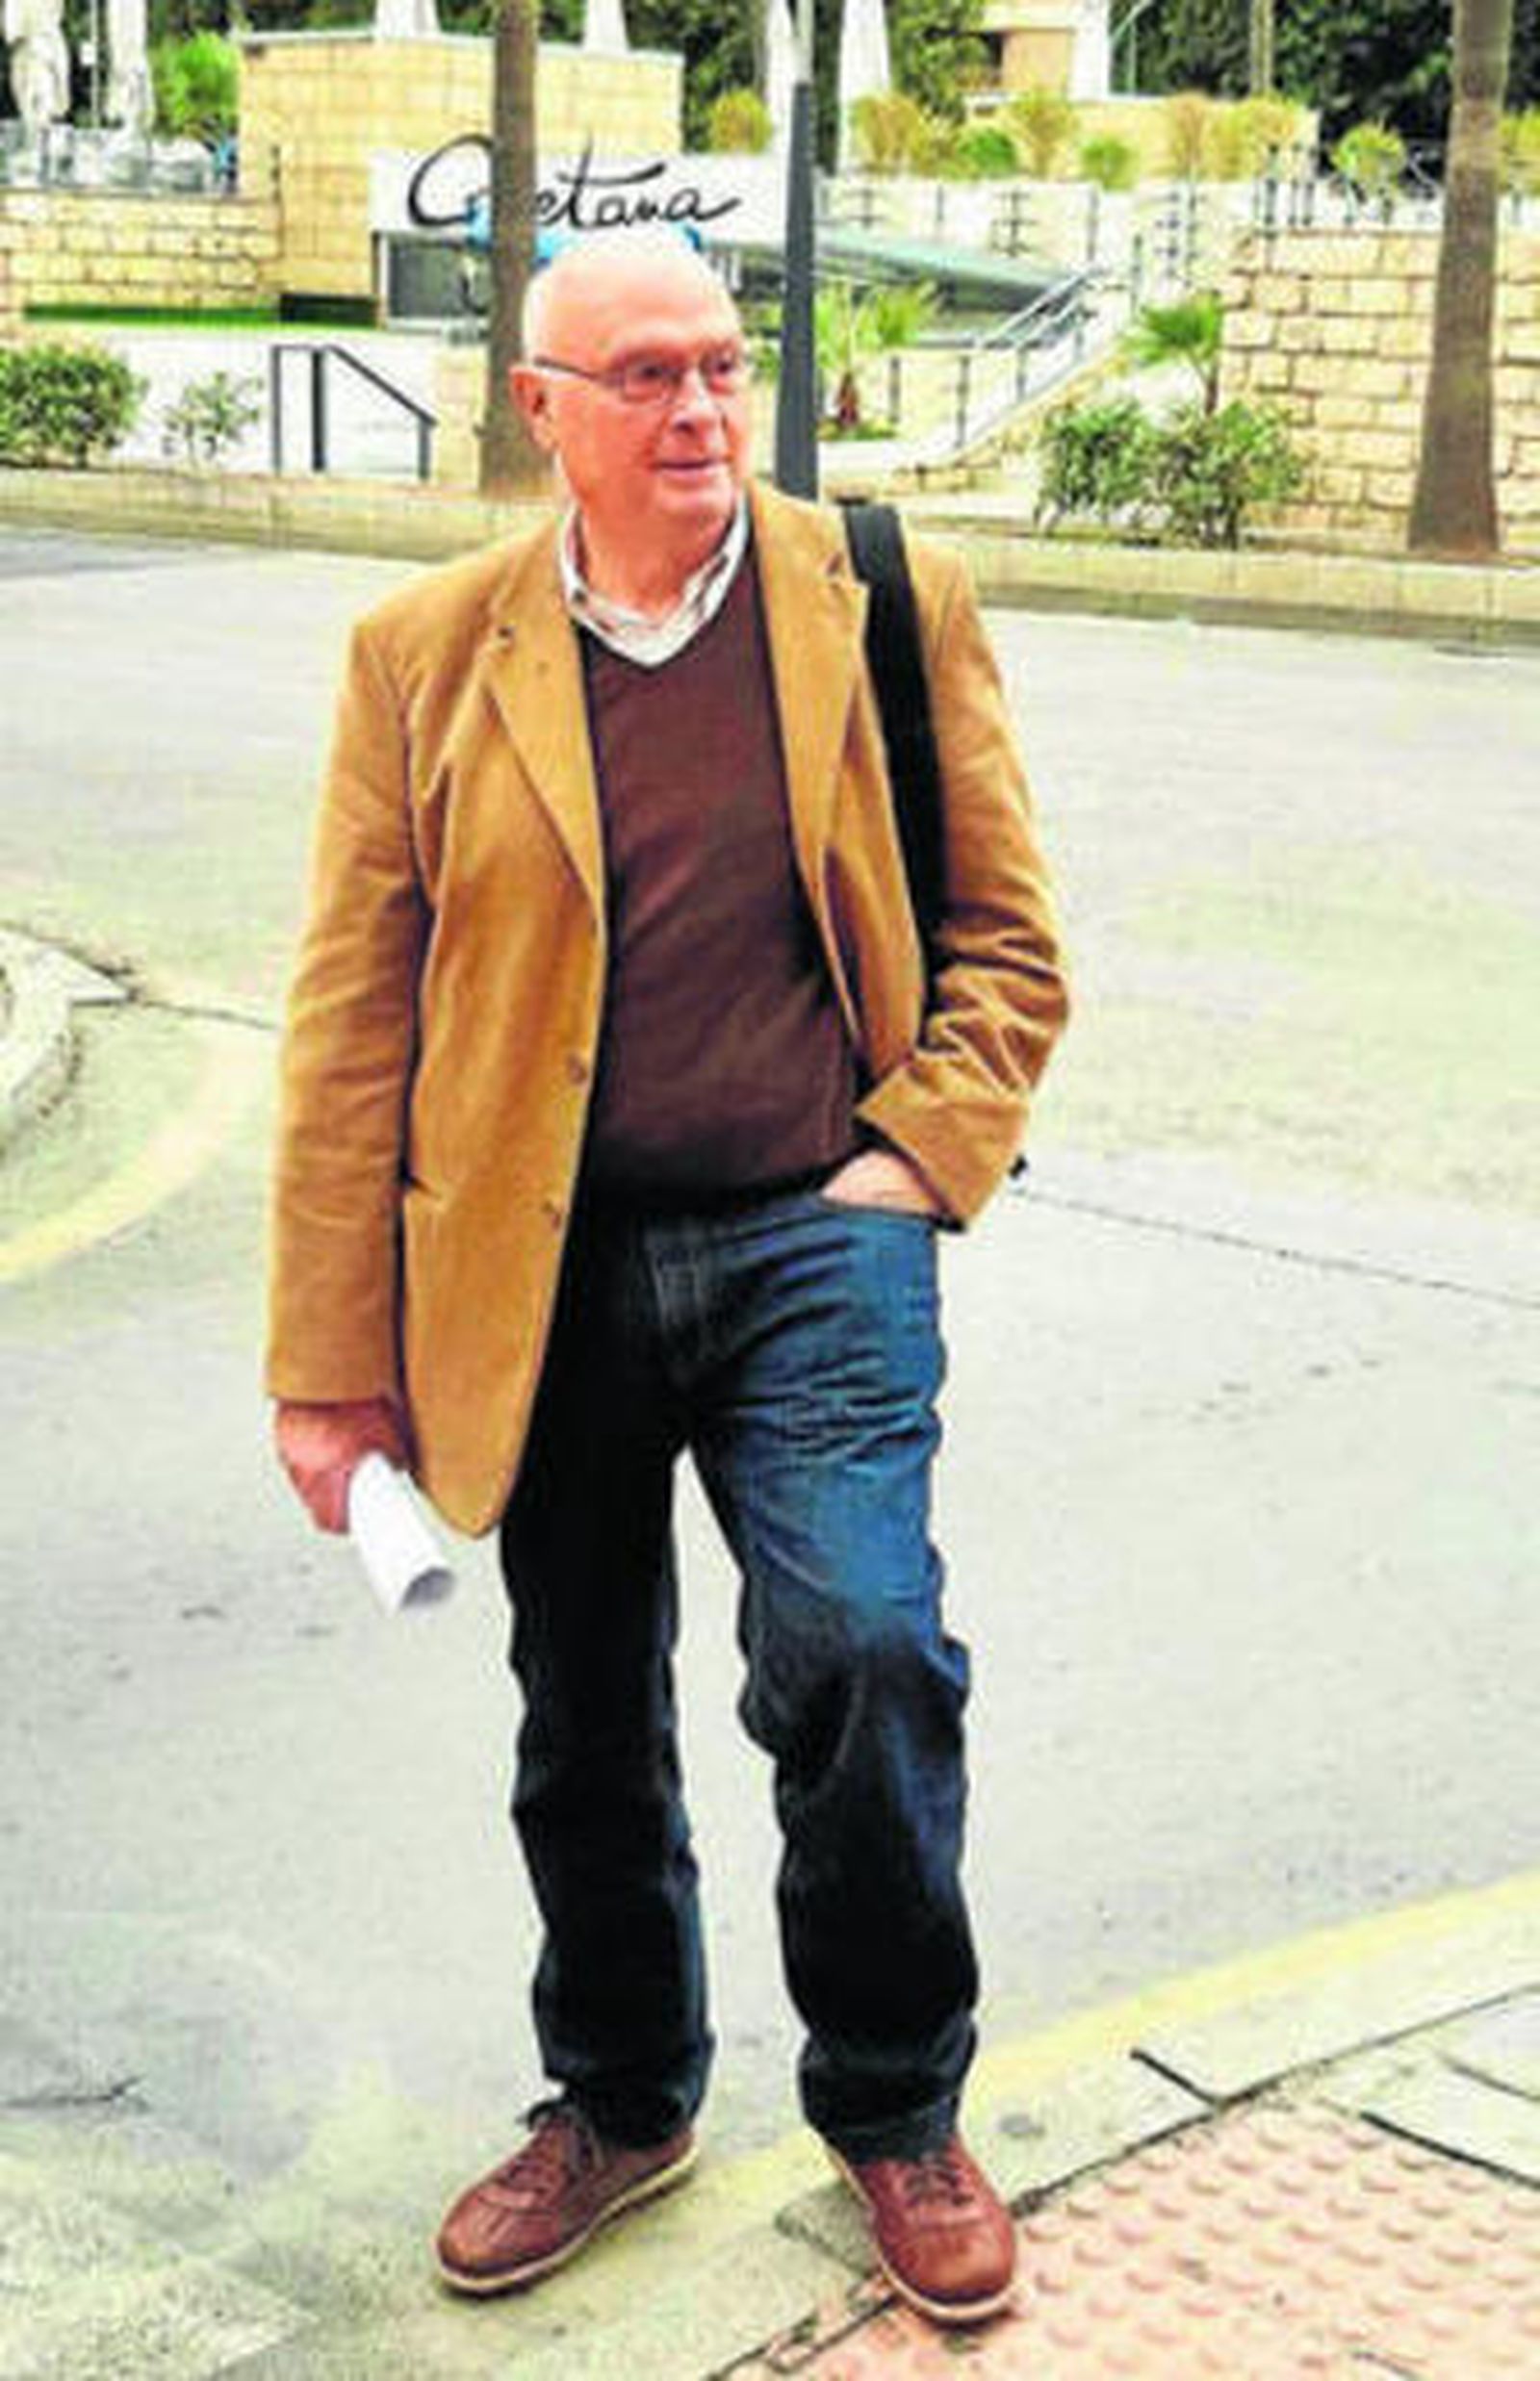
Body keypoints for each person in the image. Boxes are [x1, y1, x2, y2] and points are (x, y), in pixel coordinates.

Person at [268, 230, 1068, 2329]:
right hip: (541, 1264)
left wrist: (912, 1161)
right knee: (583, 1713)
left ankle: (896, 2106)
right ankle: (620, 2099)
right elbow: (351, 1024)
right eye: (644, 375)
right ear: (538, 408)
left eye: (719, 362)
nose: (700, 405)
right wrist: (328, 1366)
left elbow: (1006, 941)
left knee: (864, 1649)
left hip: (818, 1232)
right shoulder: (421, 655)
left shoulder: (875, 595)